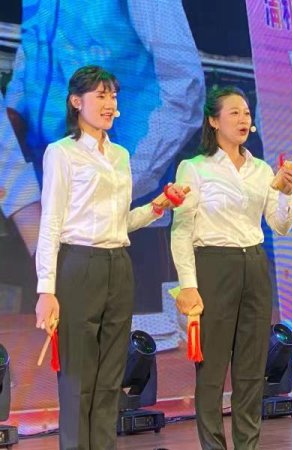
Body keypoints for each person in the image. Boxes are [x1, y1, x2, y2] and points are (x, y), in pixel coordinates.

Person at [34, 65, 185, 450]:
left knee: (110, 374)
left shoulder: (119, 155)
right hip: (78, 264)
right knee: (77, 375)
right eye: (100, 95)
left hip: (118, 265)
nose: (109, 104)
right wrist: (46, 290)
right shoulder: (61, 153)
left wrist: (156, 207)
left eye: (113, 96)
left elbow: (121, 221)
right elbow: (51, 223)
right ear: (76, 101)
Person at [171, 86, 292, 449]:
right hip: (213, 266)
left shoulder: (261, 170)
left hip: (255, 266)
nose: (244, 119)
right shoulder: (194, 168)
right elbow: (181, 231)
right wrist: (188, 285)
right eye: (234, 113)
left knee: (251, 369)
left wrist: (287, 192)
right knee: (211, 369)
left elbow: (280, 225)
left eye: (247, 113)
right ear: (214, 121)